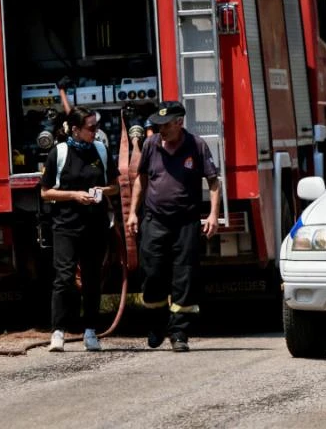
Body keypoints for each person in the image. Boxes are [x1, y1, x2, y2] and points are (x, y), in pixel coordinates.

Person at [124, 101, 220, 352]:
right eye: (157, 125)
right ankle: (157, 325)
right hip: (154, 221)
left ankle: (179, 333)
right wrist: (133, 212)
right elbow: (141, 180)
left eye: (165, 125)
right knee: (152, 274)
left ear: (179, 122)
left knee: (184, 278)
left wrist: (212, 215)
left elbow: (213, 181)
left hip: (185, 223)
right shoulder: (151, 145)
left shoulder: (196, 145)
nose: (160, 130)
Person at [40, 106, 120, 352]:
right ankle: (58, 331)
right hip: (65, 225)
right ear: (74, 129)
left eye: (96, 126)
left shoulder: (102, 150)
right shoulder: (59, 153)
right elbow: (45, 193)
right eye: (91, 127)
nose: (96, 131)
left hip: (94, 225)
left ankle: (90, 331)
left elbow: (114, 186)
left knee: (92, 279)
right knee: (64, 278)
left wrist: (100, 192)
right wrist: (74, 195)